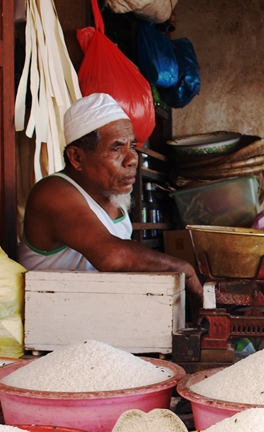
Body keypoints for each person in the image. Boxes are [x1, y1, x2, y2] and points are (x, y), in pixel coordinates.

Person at [18, 93, 202, 300]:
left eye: (132, 146)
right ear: (76, 157)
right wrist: (183, 268)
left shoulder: (110, 194)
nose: (132, 159)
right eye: (116, 148)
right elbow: (113, 256)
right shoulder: (53, 193)